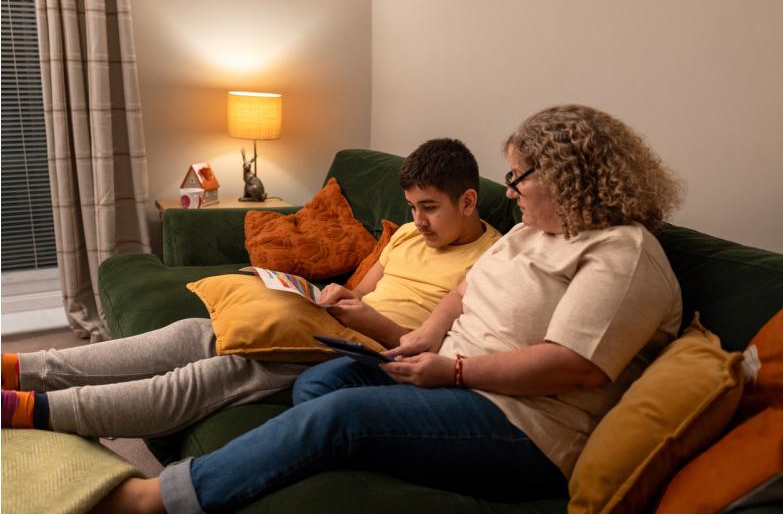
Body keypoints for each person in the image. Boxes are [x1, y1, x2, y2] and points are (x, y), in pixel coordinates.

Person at [95, 104, 685, 514]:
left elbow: (572, 366)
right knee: (325, 380)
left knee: (340, 415)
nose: (511, 190)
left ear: (568, 176)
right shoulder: (533, 232)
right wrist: (426, 339)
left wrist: (452, 371)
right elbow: (462, 293)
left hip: (526, 426)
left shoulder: (623, 252)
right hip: (451, 376)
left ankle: (159, 499)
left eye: (519, 176)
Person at [1, 138, 501, 438]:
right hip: (336, 328)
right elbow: (362, 293)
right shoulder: (410, 235)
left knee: (220, 370)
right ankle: (23, 366)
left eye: (429, 207)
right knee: (195, 332)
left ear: (469, 200)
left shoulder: (491, 261)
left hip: (378, 354)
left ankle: (32, 409)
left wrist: (368, 322)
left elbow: (437, 346)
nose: (417, 221)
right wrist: (328, 297)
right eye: (411, 207)